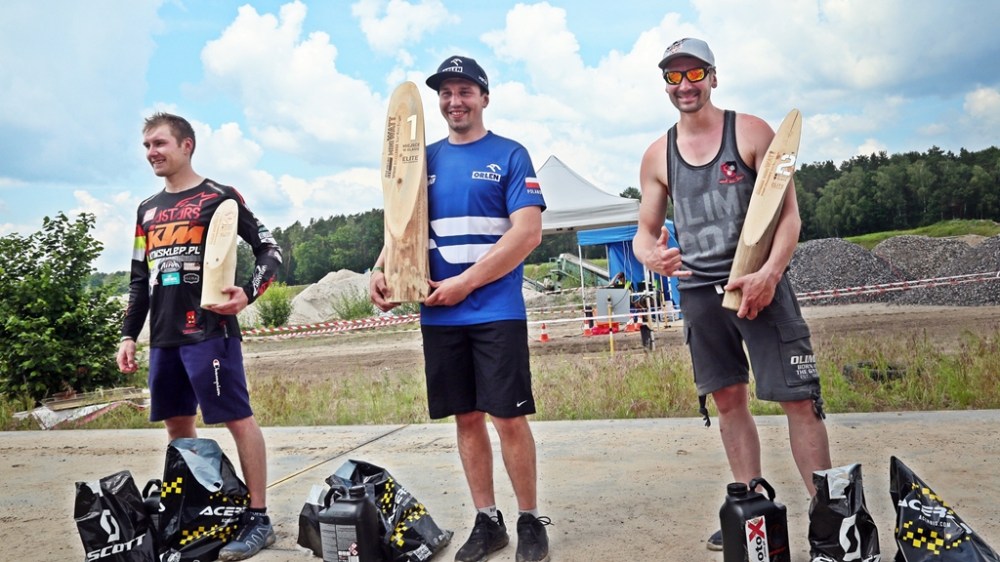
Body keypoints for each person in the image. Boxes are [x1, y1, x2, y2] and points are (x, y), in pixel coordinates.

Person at [632, 38, 832, 551]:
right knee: (727, 401)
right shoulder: (658, 155)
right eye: (674, 77)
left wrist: (769, 274)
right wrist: (651, 256)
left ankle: (828, 516)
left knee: (798, 401)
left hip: (760, 286)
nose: (685, 85)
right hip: (700, 293)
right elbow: (643, 232)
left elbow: (789, 216)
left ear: (713, 77)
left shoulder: (751, 132)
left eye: (694, 73)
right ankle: (750, 506)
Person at [370, 55, 551, 562]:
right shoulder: (421, 160)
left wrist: (465, 284)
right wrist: (382, 270)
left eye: (464, 92)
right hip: (440, 314)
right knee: (466, 419)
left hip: (495, 311)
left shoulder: (511, 155)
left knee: (507, 419)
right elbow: (401, 227)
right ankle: (488, 520)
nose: (455, 101)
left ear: (484, 97)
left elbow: (528, 233)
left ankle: (529, 520)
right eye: (446, 93)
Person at [116, 112, 283, 561]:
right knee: (177, 426)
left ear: (187, 145)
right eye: (147, 145)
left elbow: (270, 249)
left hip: (210, 330)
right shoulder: (146, 210)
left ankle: (258, 517)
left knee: (236, 418)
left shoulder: (221, 198)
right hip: (164, 337)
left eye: (160, 143)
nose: (152, 152)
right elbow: (138, 278)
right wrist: (129, 335)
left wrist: (247, 293)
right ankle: (187, 509)